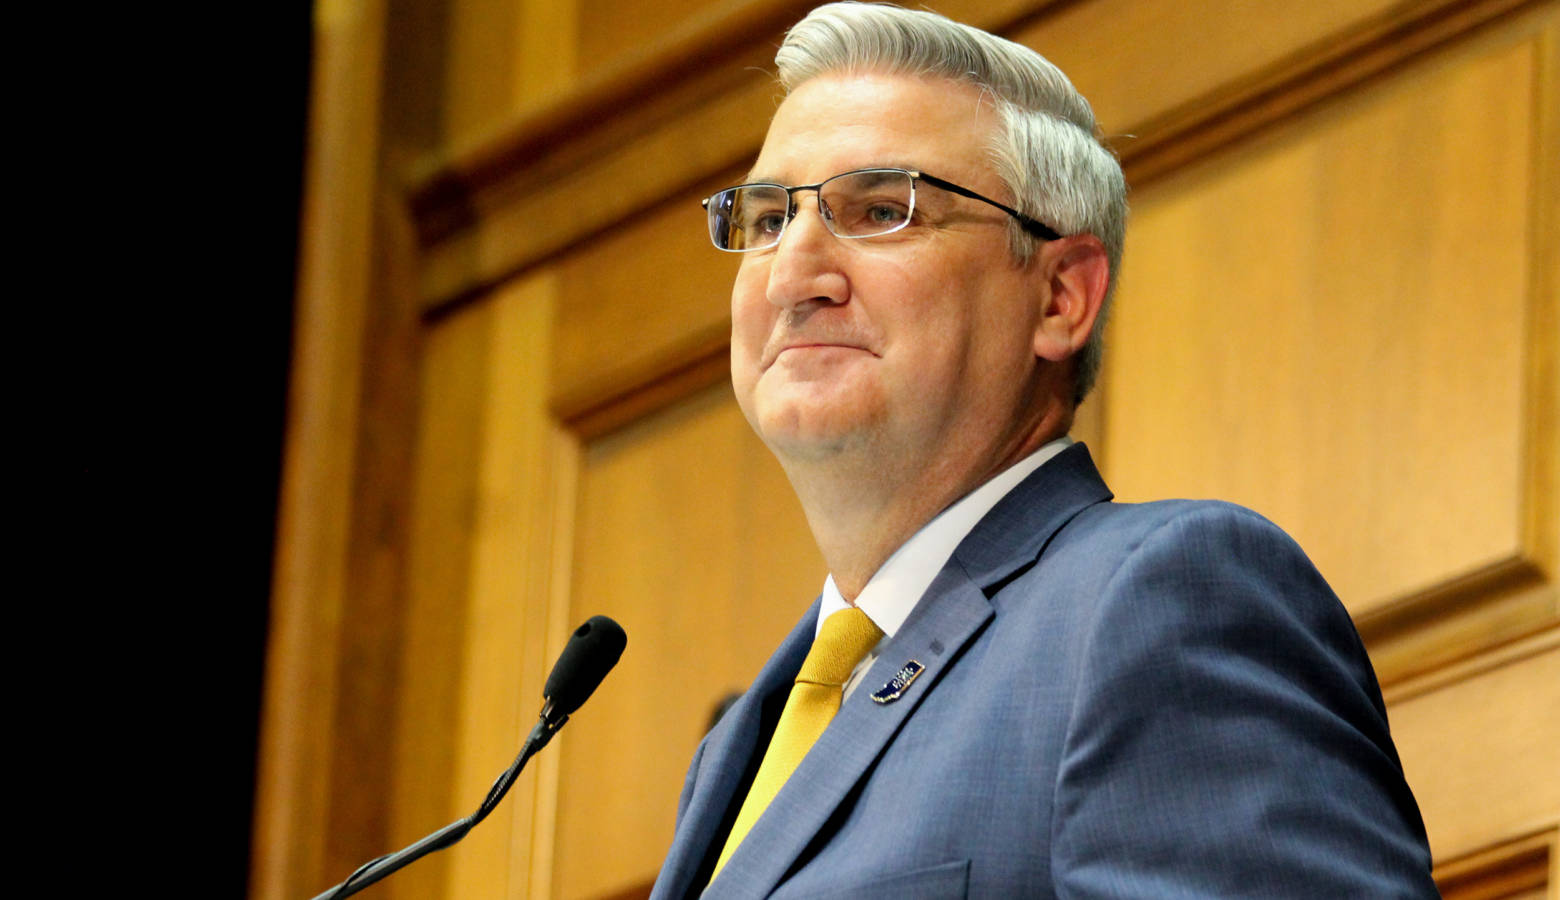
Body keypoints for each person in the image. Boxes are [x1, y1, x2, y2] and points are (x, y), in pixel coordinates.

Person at [650, 3, 1438, 897]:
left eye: (879, 209)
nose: (793, 274)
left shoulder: (1157, 601)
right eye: (764, 221)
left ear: (1062, 295)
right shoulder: (740, 743)